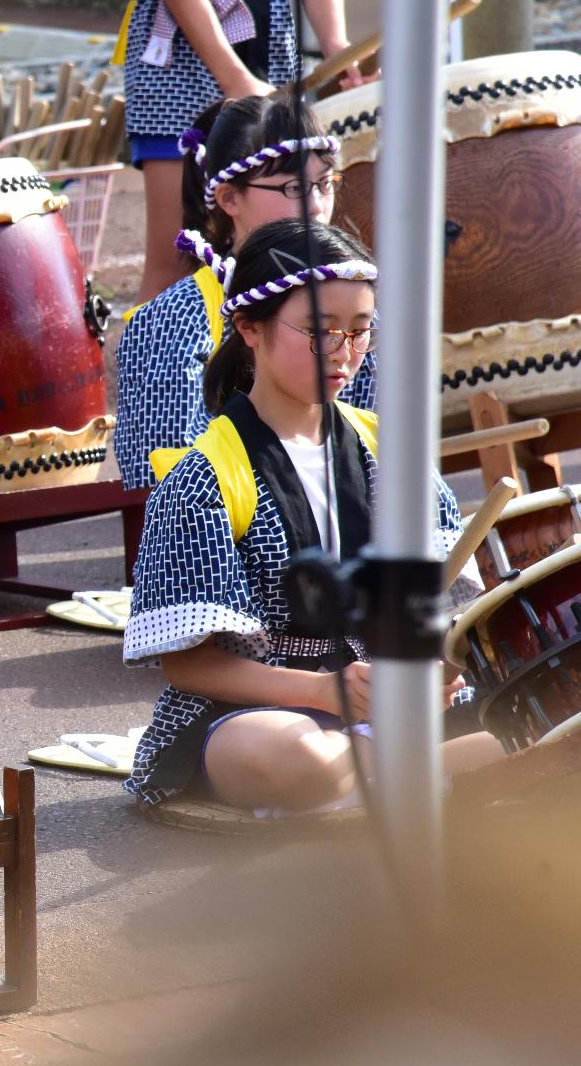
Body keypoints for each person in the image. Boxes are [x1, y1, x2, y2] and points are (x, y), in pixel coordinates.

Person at [123, 220, 501, 813]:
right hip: (263, 710)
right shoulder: (202, 476)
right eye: (321, 332)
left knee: (546, 697)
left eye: (359, 331)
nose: (344, 352)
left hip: (389, 704)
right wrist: (327, 692)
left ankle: (400, 773)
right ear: (249, 327)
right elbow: (186, 661)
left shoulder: (390, 448)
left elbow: (446, 604)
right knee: (298, 759)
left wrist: (433, 667)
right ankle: (455, 767)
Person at [110, 0, 355, 302]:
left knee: (272, 249)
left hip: (271, 41)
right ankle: (153, 375)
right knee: (179, 253)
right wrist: (237, 83)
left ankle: (247, 380)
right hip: (183, 54)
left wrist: (337, 48)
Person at [113, 93, 373, 490]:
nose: (317, 206)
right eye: (293, 189)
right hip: (229, 527)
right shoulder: (171, 319)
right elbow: (159, 476)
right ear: (229, 197)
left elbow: (380, 445)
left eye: (325, 184)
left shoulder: (360, 305)